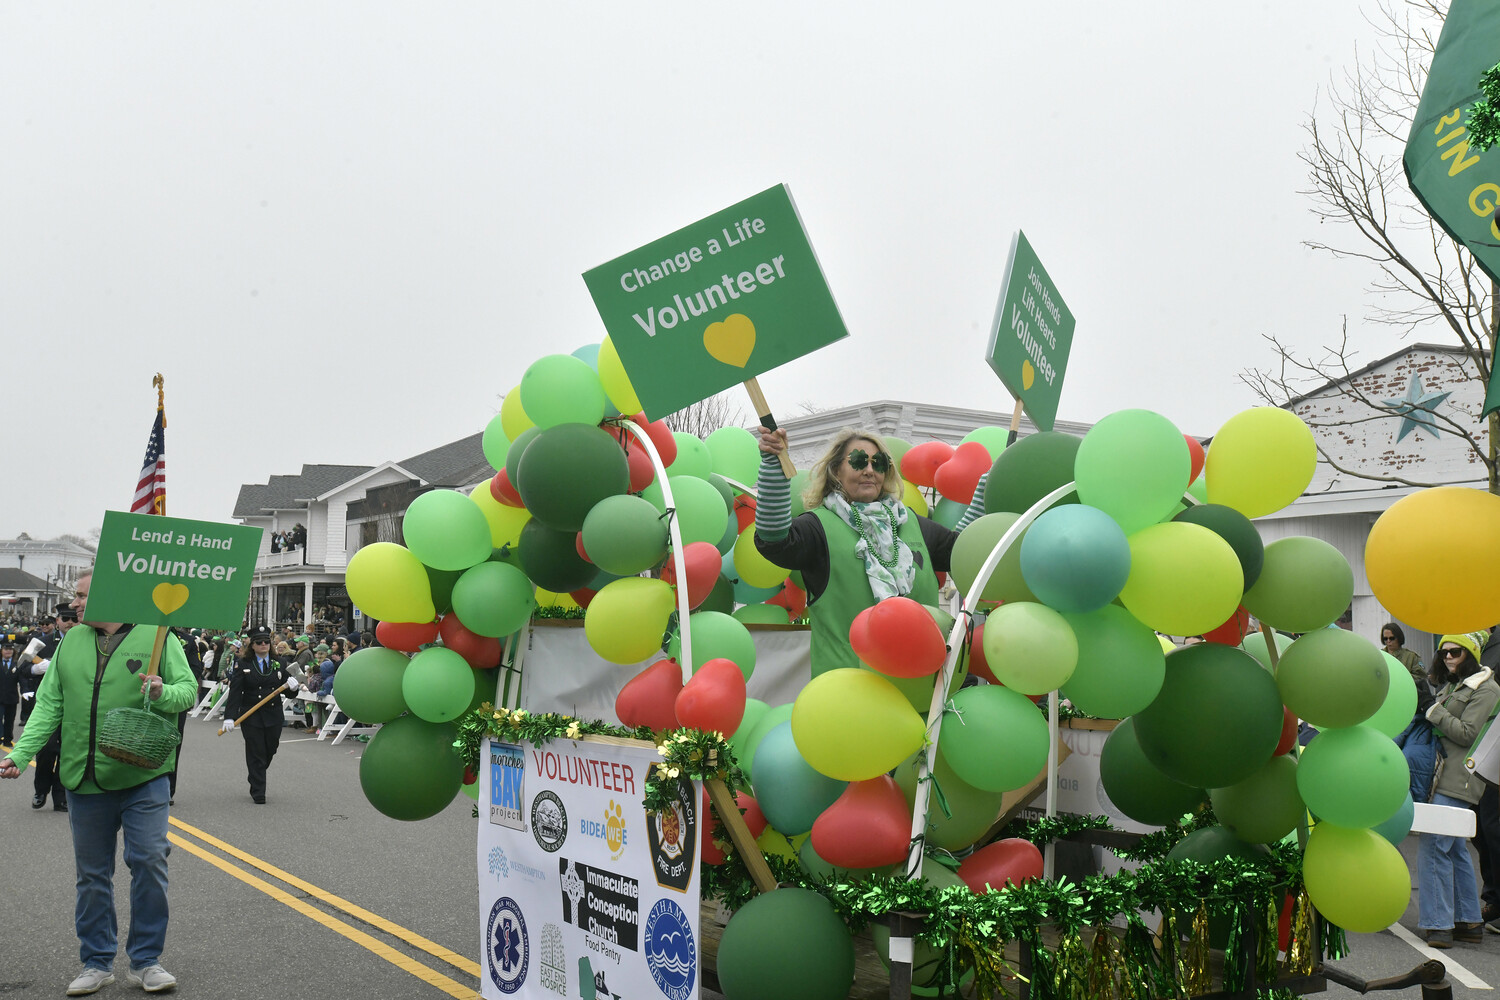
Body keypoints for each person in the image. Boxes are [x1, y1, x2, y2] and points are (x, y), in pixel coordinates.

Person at [0, 571, 195, 995]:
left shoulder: (159, 635)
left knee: (147, 861)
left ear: (111, 594)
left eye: (84, 595)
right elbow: (49, 706)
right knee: (92, 875)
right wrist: (19, 753)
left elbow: (189, 692)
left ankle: (146, 961)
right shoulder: (70, 641)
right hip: (82, 776)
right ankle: (97, 961)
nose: (75, 603)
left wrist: (162, 692)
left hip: (143, 774)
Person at [753, 426, 985, 674]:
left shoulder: (911, 523)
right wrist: (772, 464)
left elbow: (962, 551)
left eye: (879, 463)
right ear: (836, 471)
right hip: (850, 698)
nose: (869, 470)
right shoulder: (817, 528)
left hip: (919, 694)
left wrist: (984, 490)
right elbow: (773, 540)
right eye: (858, 461)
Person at [1418, 631, 1500, 948]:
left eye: (1456, 652)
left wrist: (1431, 709)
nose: (1448, 657)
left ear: (1473, 654)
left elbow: (1468, 733)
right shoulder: (1456, 686)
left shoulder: (1487, 689)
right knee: (1452, 848)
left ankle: (1439, 925)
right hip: (1448, 776)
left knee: (1434, 846)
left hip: (1461, 778)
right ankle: (1468, 921)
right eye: (1444, 653)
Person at [221, 624, 299, 803]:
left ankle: (257, 773)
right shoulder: (243, 664)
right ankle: (258, 791)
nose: (263, 644)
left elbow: (288, 690)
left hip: (273, 714)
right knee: (256, 751)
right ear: (253, 645)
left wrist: (294, 687)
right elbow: (235, 692)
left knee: (270, 749)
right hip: (251, 716)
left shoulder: (279, 663)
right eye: (259, 642)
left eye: (266, 641)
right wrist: (229, 717)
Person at [0, 636, 20, 744]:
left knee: (9, 720)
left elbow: (22, 679)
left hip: (11, 697)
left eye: (11, 649)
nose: (8, 651)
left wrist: (26, 690)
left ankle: (8, 739)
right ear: (1, 650)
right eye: (6, 649)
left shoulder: (16, 665)